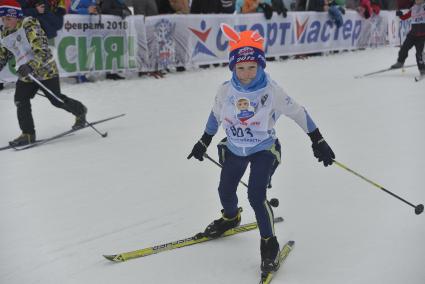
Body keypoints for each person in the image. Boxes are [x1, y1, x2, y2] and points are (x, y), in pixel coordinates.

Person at [187, 23, 335, 273]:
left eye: (252, 68)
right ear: (233, 66)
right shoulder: (225, 90)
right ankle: (231, 217)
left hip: (264, 149)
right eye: (241, 68)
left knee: (256, 196)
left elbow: (298, 112)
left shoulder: (271, 90)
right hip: (235, 148)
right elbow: (215, 115)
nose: (246, 74)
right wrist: (204, 140)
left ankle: (269, 243)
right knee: (225, 189)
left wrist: (317, 139)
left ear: (261, 66)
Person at [0, 0, 88, 146]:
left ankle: (80, 110)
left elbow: (43, 52)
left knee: (56, 100)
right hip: (26, 73)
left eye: (8, 18)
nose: (5, 22)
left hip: (45, 70)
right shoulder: (5, 31)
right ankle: (28, 134)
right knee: (20, 100)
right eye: (3, 19)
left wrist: (31, 66)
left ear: (17, 16)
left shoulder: (29, 25)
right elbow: (3, 54)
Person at [391, 0, 425, 75]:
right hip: (413, 34)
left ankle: (422, 68)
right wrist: (400, 15)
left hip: (422, 35)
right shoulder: (413, 8)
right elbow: (405, 17)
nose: (417, 1)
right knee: (404, 48)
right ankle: (400, 62)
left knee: (419, 54)